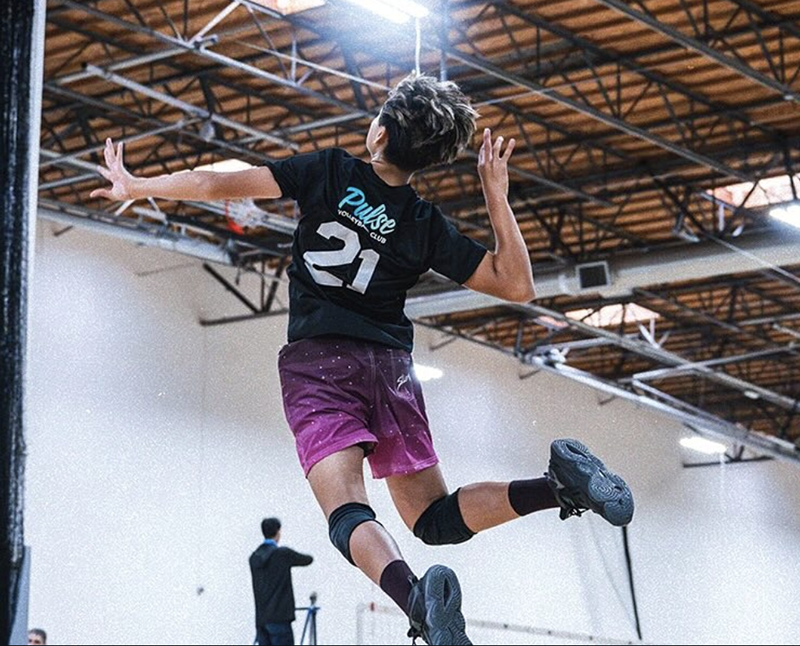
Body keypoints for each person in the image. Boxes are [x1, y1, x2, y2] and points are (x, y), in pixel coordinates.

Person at [92, 73, 633, 646]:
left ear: (378, 133)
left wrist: (139, 184)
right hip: (389, 371)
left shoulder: (327, 171)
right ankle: (559, 488)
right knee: (434, 519)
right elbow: (517, 283)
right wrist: (494, 193)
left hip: (316, 365)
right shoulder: (422, 223)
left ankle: (415, 598)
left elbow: (221, 181)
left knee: (347, 512)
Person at [249, 517, 313, 646]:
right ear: (278, 532)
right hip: (280, 618)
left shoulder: (254, 557)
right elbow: (307, 560)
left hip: (261, 620)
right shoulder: (282, 554)